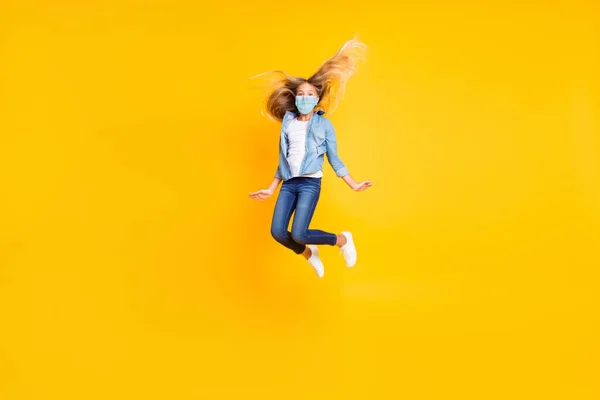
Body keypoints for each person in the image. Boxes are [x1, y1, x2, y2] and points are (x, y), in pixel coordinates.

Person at [248, 35, 373, 278]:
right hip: (289, 184)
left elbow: (334, 159)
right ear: (296, 98)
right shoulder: (288, 122)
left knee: (300, 233)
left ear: (317, 98)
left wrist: (354, 184)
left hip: (309, 184)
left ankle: (342, 240)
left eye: (310, 94)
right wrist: (271, 188)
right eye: (301, 94)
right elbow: (283, 159)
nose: (305, 98)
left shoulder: (324, 126)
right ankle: (309, 253)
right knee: (277, 232)